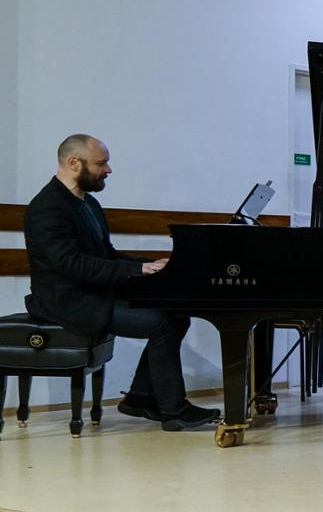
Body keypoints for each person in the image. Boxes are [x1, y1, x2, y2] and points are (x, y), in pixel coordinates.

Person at [23, 134, 219, 431]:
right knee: (161, 323)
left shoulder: (87, 204)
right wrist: (138, 269)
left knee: (177, 315)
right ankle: (173, 410)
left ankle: (141, 399)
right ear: (74, 163)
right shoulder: (46, 207)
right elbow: (71, 264)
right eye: (102, 163)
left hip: (92, 294)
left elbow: (107, 254)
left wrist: (150, 266)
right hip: (66, 302)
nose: (109, 170)